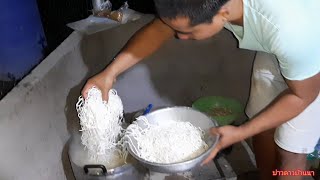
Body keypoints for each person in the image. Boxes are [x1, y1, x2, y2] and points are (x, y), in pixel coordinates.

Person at [82, 0, 320, 179]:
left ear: (223, 14)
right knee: (262, 120)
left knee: (292, 152)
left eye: (188, 32)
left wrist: (241, 132)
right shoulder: (211, 5)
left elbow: (302, 95)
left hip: (312, 51)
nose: (180, 37)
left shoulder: (290, 30)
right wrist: (109, 74)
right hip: (282, 46)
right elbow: (161, 28)